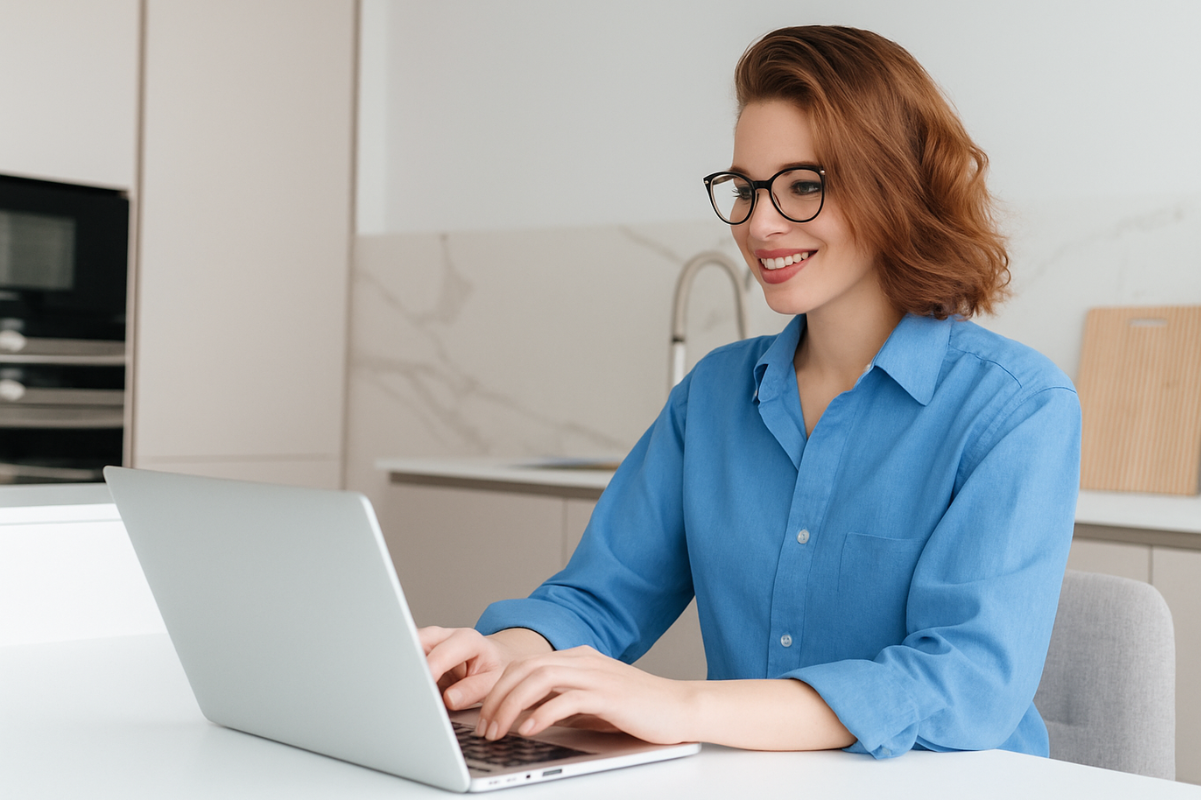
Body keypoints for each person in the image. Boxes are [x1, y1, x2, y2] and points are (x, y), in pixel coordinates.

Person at [420, 25, 1081, 758]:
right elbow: (599, 596)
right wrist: (501, 654)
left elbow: (963, 686)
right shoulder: (711, 396)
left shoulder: (1016, 408)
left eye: (803, 186)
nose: (759, 223)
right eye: (744, 188)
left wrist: (682, 704)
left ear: (893, 188)